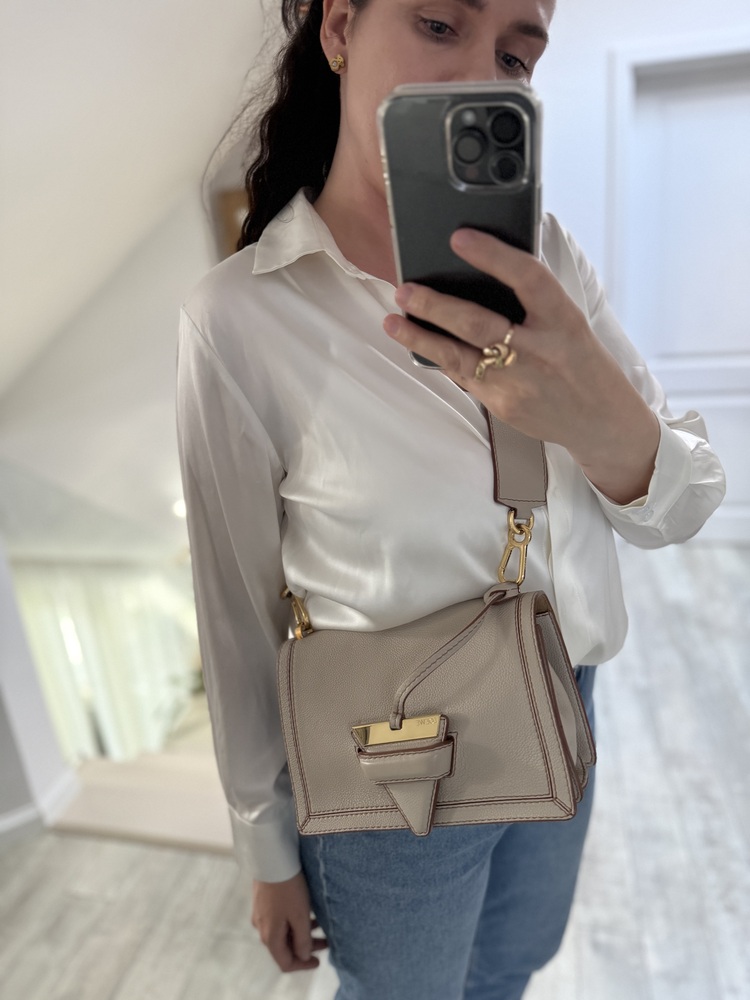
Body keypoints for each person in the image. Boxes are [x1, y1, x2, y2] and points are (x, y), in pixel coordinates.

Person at [176, 0, 726, 996]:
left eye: (516, 56)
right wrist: (265, 846)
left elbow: (684, 506)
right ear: (338, 29)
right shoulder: (242, 320)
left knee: (512, 965)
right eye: (438, 24)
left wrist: (598, 416)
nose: (480, 75)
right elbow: (235, 614)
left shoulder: (547, 260)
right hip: (397, 766)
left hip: (565, 701)